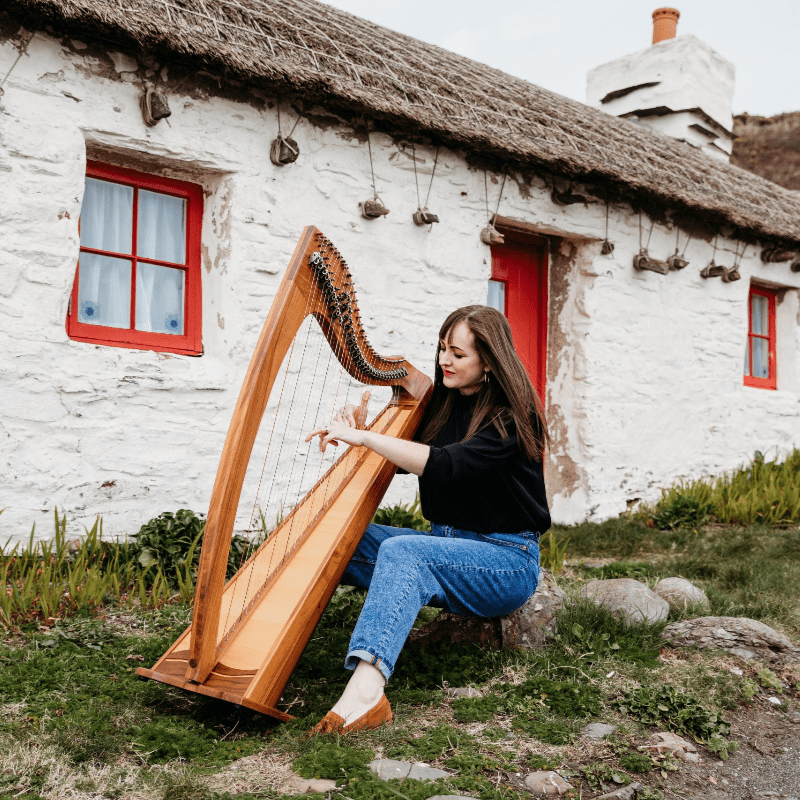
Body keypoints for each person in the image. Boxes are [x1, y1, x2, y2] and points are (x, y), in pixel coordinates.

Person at [305, 305, 550, 734]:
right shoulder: (442, 405)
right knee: (330, 533)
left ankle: (365, 696)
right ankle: (278, 652)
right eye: (442, 349)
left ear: (489, 361)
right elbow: (405, 461)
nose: (444, 361)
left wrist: (367, 439)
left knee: (405, 552)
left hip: (505, 561)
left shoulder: (512, 417)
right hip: (446, 547)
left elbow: (445, 464)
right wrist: (364, 434)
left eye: (458, 353)